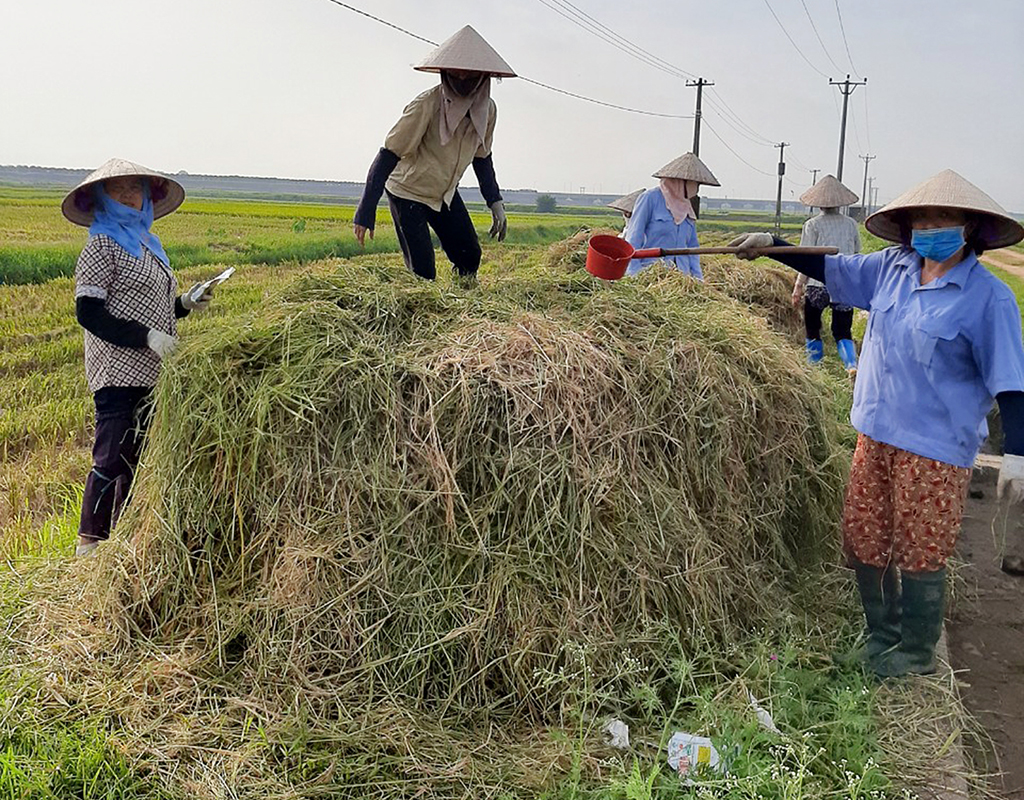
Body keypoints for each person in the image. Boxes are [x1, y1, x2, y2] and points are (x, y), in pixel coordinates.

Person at [729, 169, 1024, 677]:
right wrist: (773, 245)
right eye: (922, 218)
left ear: (971, 228)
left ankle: (915, 652)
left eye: (944, 218)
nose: (930, 226)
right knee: (865, 535)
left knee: (921, 545)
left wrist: (1016, 453)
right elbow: (833, 269)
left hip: (934, 447)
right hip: (875, 432)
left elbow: (1011, 382)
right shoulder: (893, 267)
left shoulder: (987, 298)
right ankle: (879, 636)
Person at [63, 159, 217, 557]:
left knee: (136, 460)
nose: (130, 196)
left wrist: (185, 301)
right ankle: (90, 544)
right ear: (101, 199)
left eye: (136, 188)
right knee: (112, 456)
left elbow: (158, 306)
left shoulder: (148, 245)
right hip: (116, 370)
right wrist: (148, 337)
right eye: (119, 190)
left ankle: (122, 536)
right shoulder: (100, 246)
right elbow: (90, 312)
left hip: (152, 370)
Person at [353, 26, 515, 287]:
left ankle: (462, 307)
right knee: (423, 274)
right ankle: (423, 319)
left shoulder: (488, 112)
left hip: (444, 192)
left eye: (469, 74)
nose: (461, 78)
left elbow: (482, 158)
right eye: (455, 73)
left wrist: (495, 201)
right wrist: (365, 209)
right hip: (408, 192)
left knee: (469, 256)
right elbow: (388, 154)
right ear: (444, 73)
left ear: (482, 76)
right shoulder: (427, 105)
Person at [791, 175, 862, 370]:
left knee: (813, 327)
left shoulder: (812, 225)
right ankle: (851, 366)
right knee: (842, 331)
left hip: (817, 285)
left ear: (819, 204)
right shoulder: (851, 224)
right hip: (844, 283)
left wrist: (798, 287)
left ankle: (815, 368)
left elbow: (804, 259)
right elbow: (857, 254)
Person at [623, 153, 719, 280]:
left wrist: (697, 279)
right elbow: (633, 239)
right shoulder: (650, 198)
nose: (696, 189)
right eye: (695, 184)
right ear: (681, 182)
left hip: (681, 279)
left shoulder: (687, 208)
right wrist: (635, 275)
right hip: (651, 276)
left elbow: (693, 249)